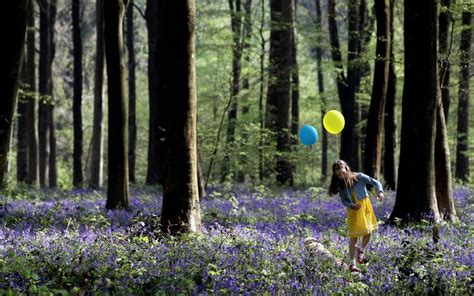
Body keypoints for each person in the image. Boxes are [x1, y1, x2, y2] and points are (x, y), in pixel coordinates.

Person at [328, 159, 384, 273]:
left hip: (365, 207)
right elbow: (344, 200)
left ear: (347, 169)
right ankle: (352, 264)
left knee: (368, 232)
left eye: (343, 173)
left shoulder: (359, 177)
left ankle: (361, 250)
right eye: (338, 175)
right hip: (353, 210)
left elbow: (375, 182)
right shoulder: (341, 185)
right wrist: (352, 205)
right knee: (353, 237)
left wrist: (380, 191)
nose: (341, 176)